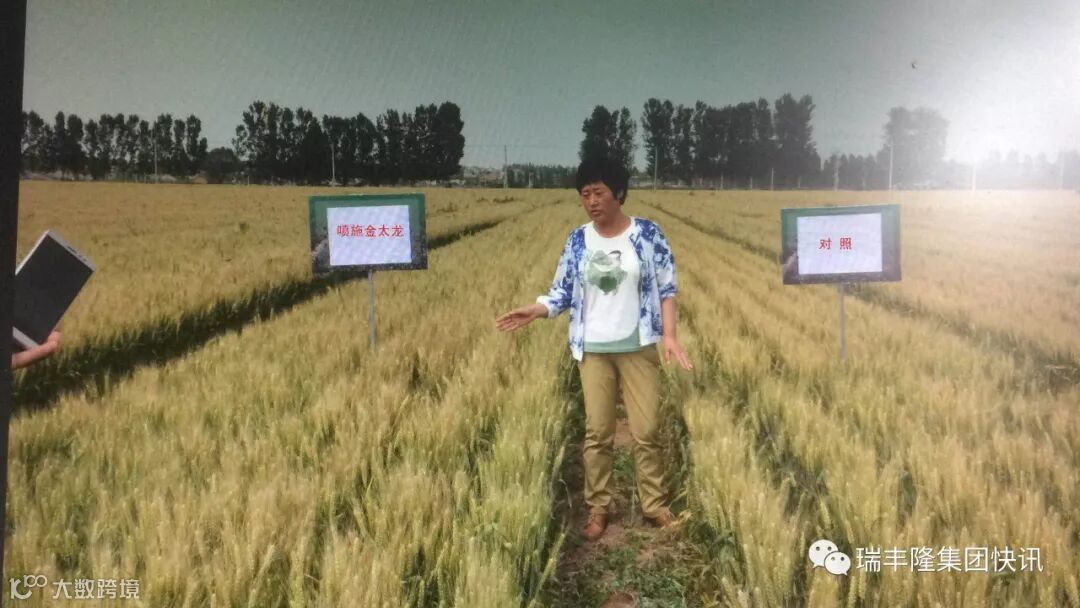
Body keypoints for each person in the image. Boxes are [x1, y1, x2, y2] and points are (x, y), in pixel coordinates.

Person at [495, 157, 692, 542]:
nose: (591, 201)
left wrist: (669, 336)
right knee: (598, 432)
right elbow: (562, 292)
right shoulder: (577, 240)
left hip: (637, 345)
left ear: (619, 193)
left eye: (599, 192)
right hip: (593, 349)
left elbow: (667, 288)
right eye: (585, 194)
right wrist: (537, 309)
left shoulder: (648, 234)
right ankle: (599, 506)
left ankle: (654, 505)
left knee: (647, 429)